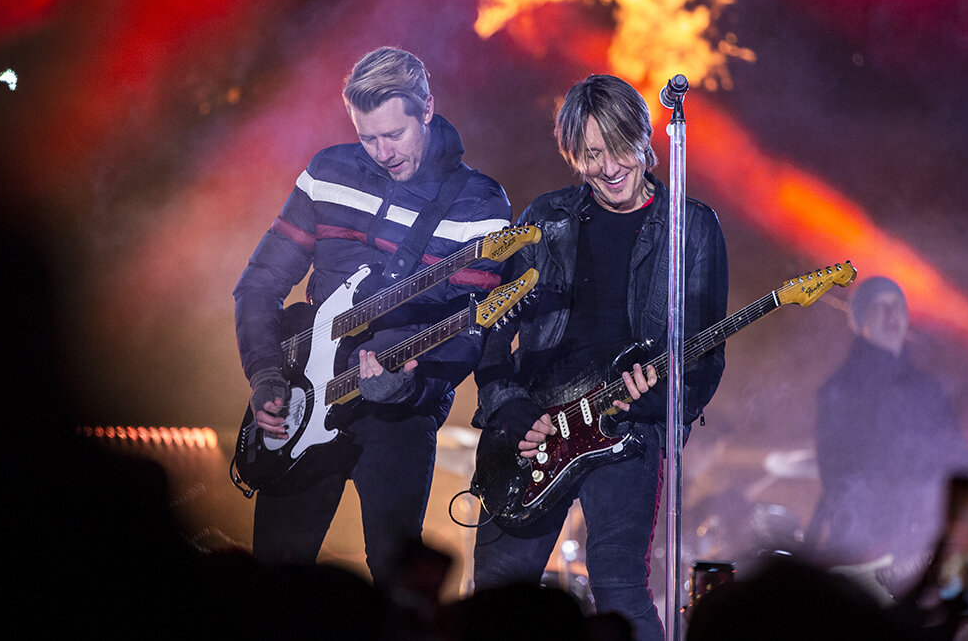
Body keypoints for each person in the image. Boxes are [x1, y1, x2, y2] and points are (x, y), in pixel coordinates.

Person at [233, 46, 511, 583]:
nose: (382, 152)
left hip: (399, 415)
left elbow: (470, 333)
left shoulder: (479, 205)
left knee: (395, 581)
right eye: (367, 137)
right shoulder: (327, 171)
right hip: (303, 394)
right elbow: (261, 282)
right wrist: (266, 372)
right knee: (273, 577)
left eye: (395, 134)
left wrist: (406, 388)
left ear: (426, 108)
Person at [470, 74, 728, 640]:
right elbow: (491, 328)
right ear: (571, 156)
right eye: (590, 155)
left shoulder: (693, 228)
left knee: (617, 584)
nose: (608, 167)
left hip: (627, 429)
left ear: (644, 140)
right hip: (536, 425)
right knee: (497, 589)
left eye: (618, 148)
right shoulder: (546, 216)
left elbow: (707, 358)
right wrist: (511, 413)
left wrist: (660, 399)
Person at [808, 276, 968, 593]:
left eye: (897, 305)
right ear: (860, 321)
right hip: (869, 550)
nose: (891, 315)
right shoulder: (841, 389)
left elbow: (955, 453)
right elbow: (842, 475)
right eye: (879, 306)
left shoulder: (926, 388)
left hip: (918, 545)